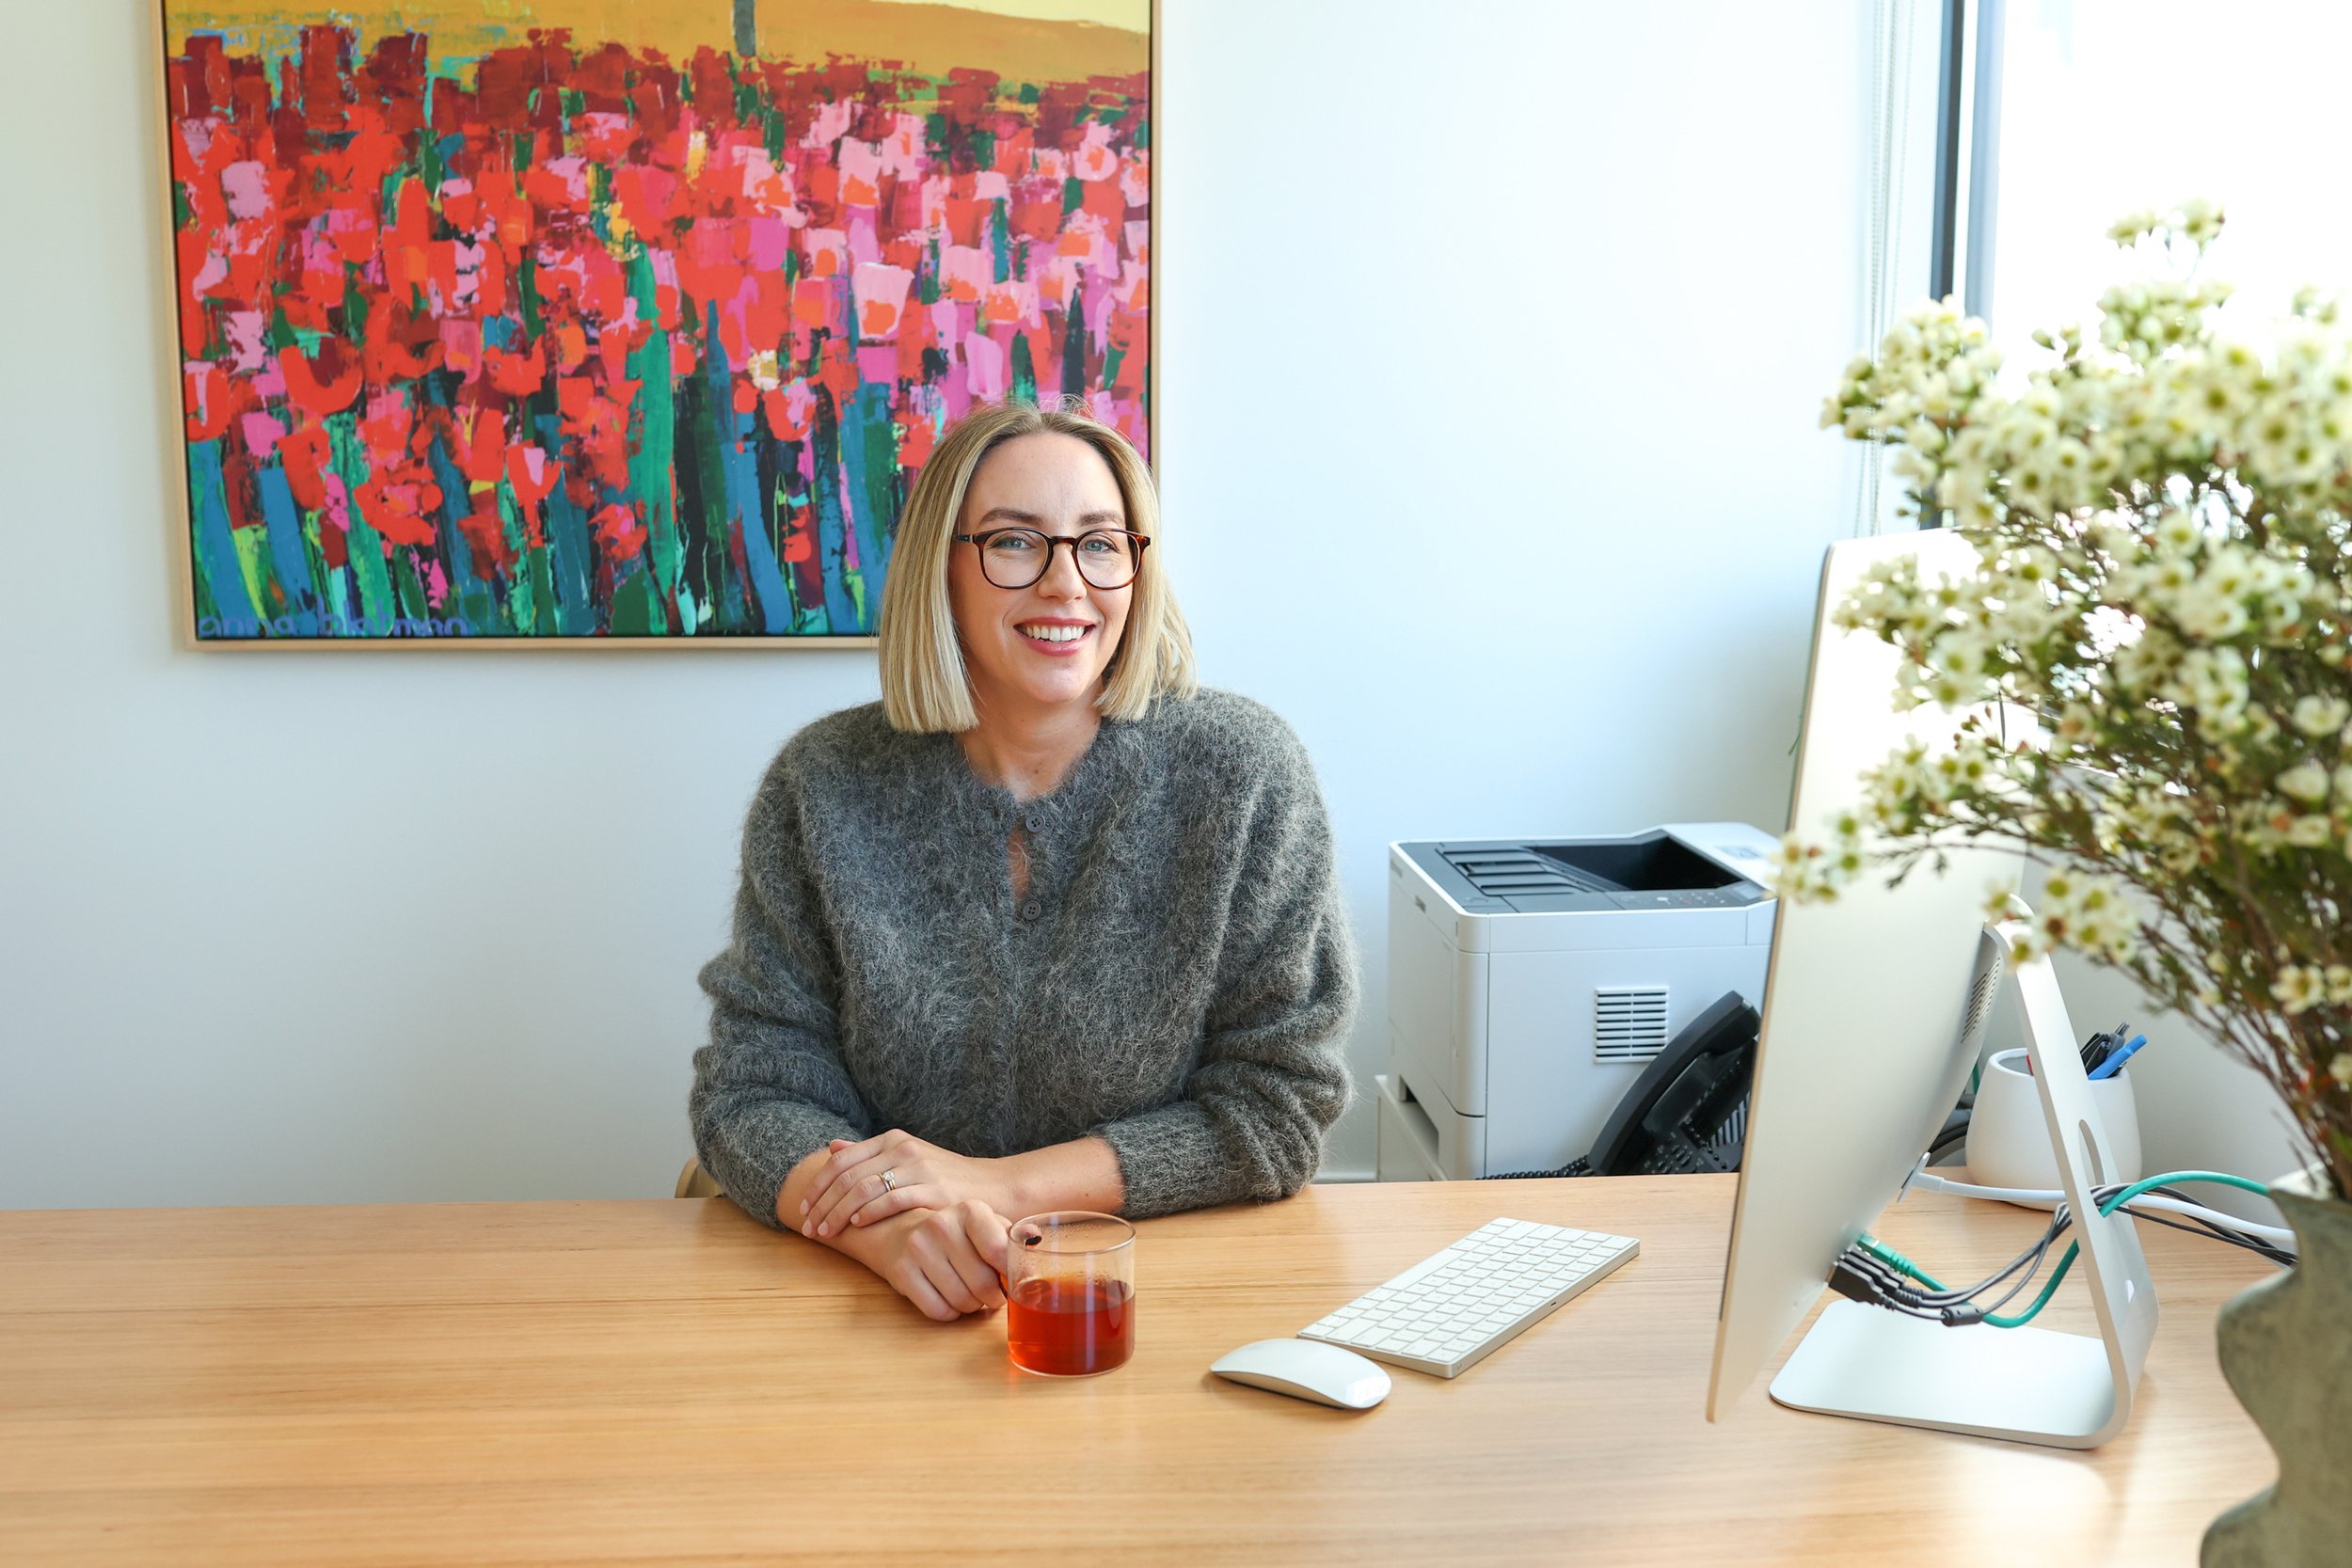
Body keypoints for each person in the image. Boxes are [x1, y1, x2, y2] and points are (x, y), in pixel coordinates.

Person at [688, 397, 1359, 1323]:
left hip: (1163, 1298)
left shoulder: (1242, 772)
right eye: (1013, 542)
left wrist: (989, 1187)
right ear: (943, 567)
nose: (1065, 584)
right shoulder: (823, 781)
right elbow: (753, 1093)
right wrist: (889, 1234)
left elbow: (1274, 1107)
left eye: (1100, 542)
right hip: (873, 1311)